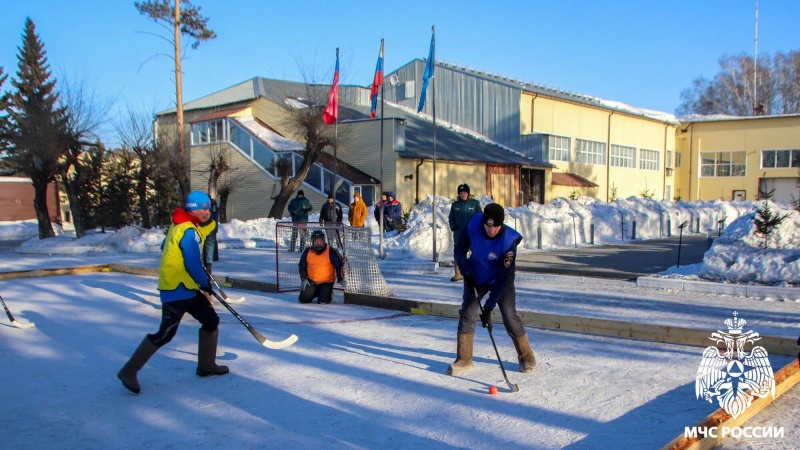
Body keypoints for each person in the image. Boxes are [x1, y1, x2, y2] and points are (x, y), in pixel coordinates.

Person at [118, 191, 228, 394]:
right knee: (165, 333)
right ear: (192, 209)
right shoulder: (188, 231)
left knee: (211, 320)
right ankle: (129, 371)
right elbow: (193, 262)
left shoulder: (180, 226)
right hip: (175, 290)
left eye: (209, 208)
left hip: (187, 289)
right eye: (203, 208)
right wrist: (204, 282)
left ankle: (206, 365)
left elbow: (165, 246)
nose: (207, 212)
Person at [448, 203, 536, 376]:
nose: (492, 230)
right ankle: (464, 359)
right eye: (488, 226)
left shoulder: (509, 241)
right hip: (475, 275)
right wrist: (465, 270)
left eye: (496, 226)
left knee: (509, 315)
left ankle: (526, 356)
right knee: (467, 312)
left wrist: (489, 307)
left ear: (501, 224)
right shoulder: (473, 224)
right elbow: (459, 249)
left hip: (500, 279)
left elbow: (503, 277)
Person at [298, 230, 346, 304]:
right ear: (312, 241)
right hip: (311, 281)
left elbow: (339, 265)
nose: (318, 242)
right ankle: (315, 292)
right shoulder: (308, 251)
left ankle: (328, 293)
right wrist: (304, 278)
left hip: (326, 282)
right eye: (316, 240)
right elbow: (301, 265)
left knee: (323, 301)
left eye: (320, 240)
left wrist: (341, 278)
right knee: (303, 299)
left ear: (323, 240)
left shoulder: (331, 251)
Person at [448, 183, 481, 282]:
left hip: (472, 233)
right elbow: (451, 218)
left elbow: (480, 217)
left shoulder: (474, 204)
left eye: (465, 193)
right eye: (461, 193)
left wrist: (477, 229)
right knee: (458, 254)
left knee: (476, 253)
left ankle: (476, 273)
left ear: (468, 193)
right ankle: (458, 274)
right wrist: (453, 227)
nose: (463, 195)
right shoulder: (455, 205)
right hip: (459, 234)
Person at [203, 198, 220, 274]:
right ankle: (209, 265)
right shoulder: (214, 205)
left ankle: (207, 267)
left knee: (208, 246)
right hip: (213, 228)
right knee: (211, 246)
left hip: (208, 229)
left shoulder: (207, 206)